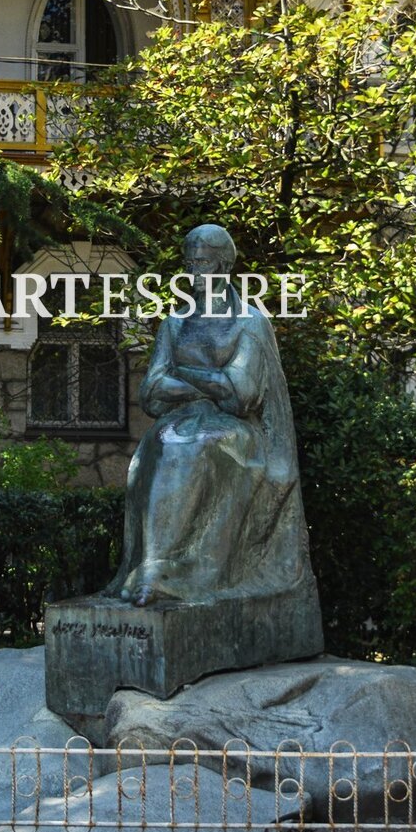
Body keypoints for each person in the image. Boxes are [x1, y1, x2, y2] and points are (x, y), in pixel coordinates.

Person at [105, 224, 314, 607]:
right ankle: (153, 565)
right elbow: (151, 394)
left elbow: (241, 395)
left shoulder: (249, 323)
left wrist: (182, 375)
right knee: (165, 444)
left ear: (223, 267)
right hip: (178, 425)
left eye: (201, 263)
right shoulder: (175, 323)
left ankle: (173, 570)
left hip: (236, 434)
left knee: (193, 446)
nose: (192, 272)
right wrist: (209, 383)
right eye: (189, 263)